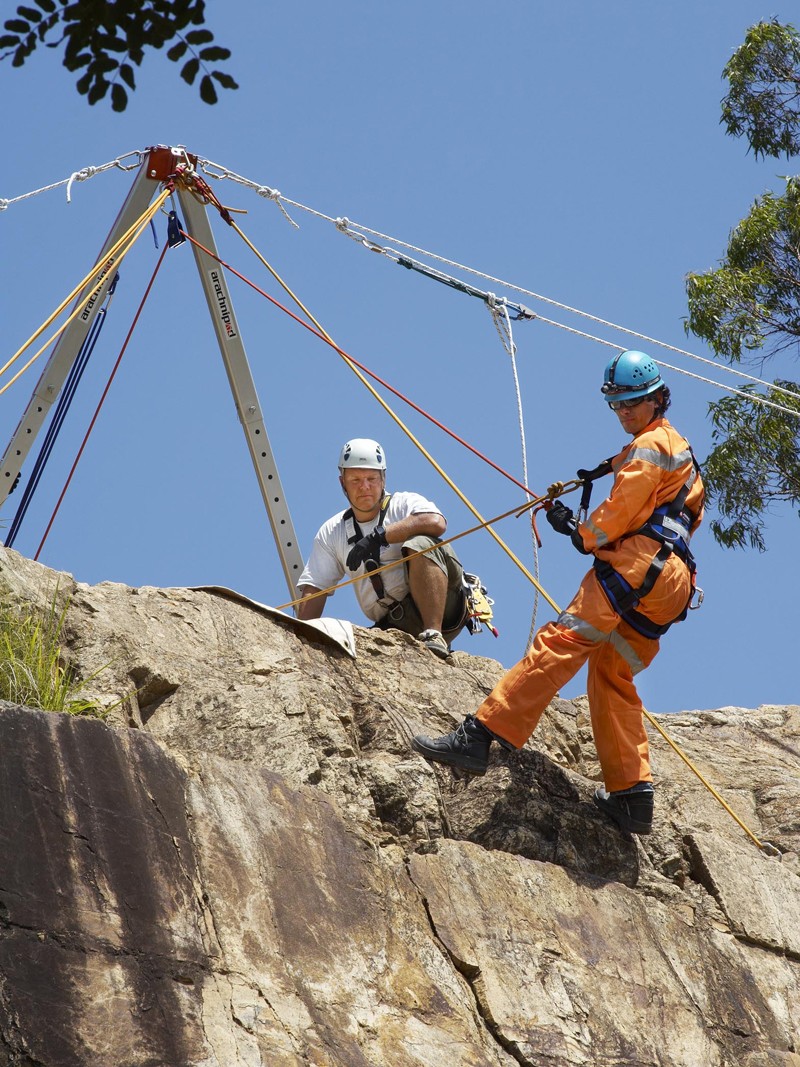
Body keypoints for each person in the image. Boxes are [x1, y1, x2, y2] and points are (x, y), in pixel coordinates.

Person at [411, 351, 705, 835]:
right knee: (611, 671)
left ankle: (478, 737)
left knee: (561, 641)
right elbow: (663, 498)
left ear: (655, 399)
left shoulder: (649, 447)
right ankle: (633, 797)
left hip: (636, 568)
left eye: (632, 402)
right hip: (671, 584)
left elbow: (621, 510)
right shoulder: (677, 448)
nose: (624, 412)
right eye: (617, 404)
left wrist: (579, 530)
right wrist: (597, 480)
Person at [296, 438, 468, 658]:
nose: (365, 486)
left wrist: (380, 536)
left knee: (421, 543)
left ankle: (434, 635)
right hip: (394, 624)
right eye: (356, 480)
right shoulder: (333, 532)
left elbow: (436, 522)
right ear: (342, 483)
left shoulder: (404, 504)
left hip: (446, 608)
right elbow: (315, 589)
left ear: (383, 478)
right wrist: (299, 640)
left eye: (371, 478)